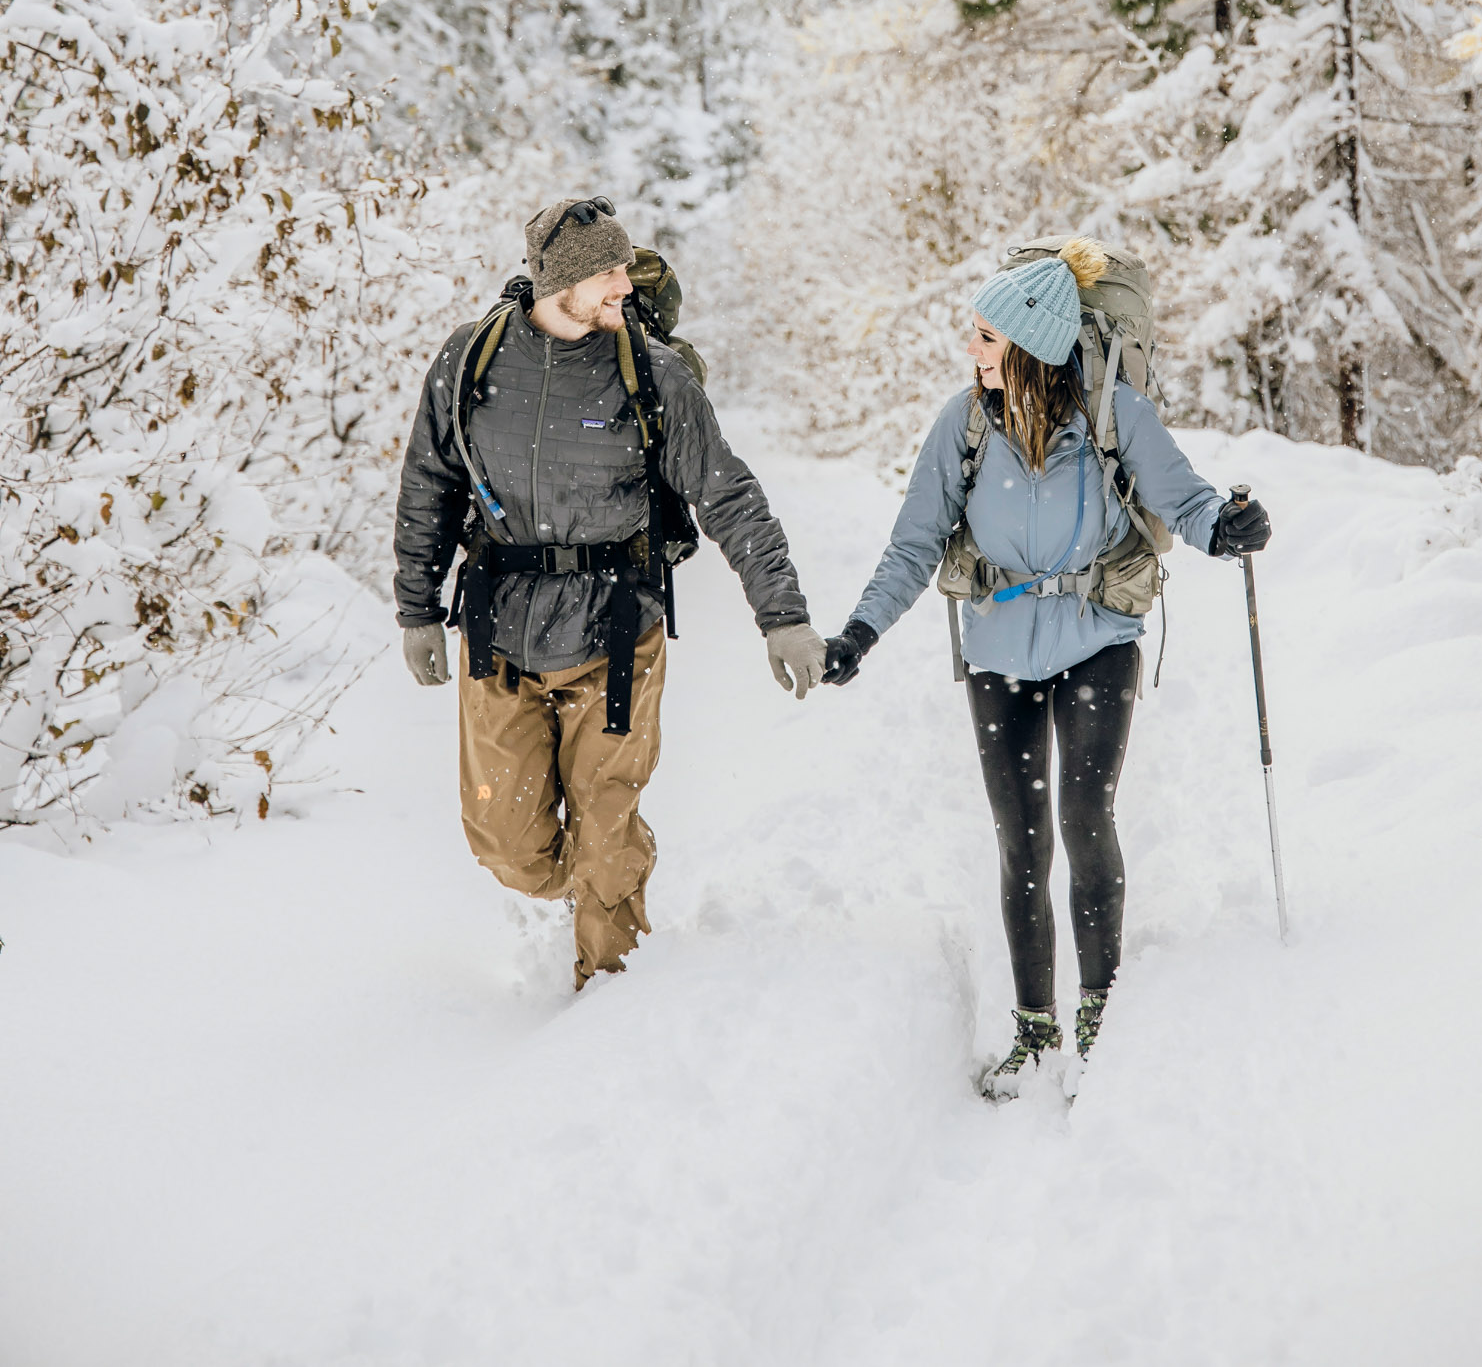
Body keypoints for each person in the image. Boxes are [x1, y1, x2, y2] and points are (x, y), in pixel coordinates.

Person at [819, 238, 1271, 1095]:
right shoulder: (960, 425)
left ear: (1030, 344)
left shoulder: (1114, 412)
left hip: (1099, 639)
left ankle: (1099, 1014)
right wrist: (860, 633)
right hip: (996, 653)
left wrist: (1229, 528)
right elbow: (912, 546)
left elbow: (1185, 497)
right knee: (1019, 842)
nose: (971, 350)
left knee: (1082, 815)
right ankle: (1035, 1030)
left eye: (986, 337)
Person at [394, 195, 826, 989]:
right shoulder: (470, 361)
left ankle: (611, 1004)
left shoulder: (653, 374)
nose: (624, 286)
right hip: (499, 629)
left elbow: (729, 495)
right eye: (607, 273)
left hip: (617, 632)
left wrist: (783, 616)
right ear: (556, 281)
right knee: (507, 845)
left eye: (624, 269)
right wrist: (417, 608)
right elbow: (430, 482)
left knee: (604, 825)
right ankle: (596, 870)